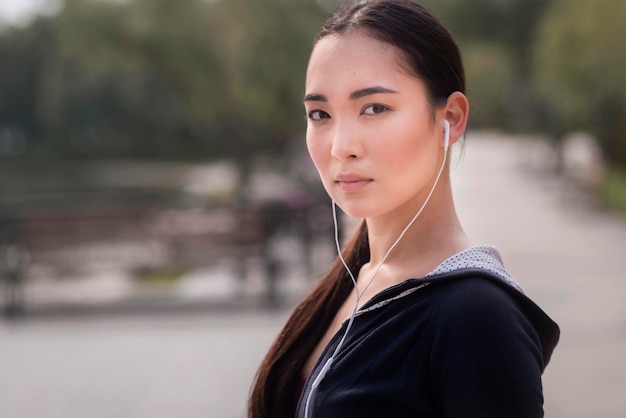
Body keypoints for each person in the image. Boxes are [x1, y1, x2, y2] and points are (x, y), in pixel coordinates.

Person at [248, 0, 560, 417]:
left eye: (374, 108)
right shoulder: (354, 280)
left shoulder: (477, 316)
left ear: (450, 117)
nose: (342, 147)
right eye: (320, 114)